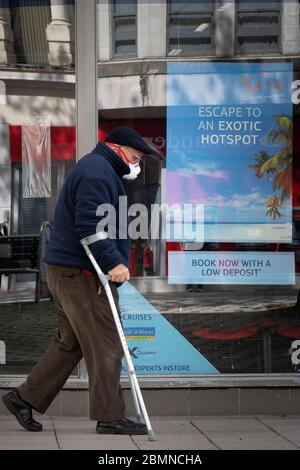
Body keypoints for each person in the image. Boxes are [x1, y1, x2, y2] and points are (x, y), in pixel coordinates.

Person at [2, 127, 154, 435]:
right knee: (108, 343)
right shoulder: (98, 173)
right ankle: (110, 416)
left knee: (69, 345)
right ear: (118, 149)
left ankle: (24, 398)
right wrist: (114, 263)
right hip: (83, 274)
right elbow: (90, 225)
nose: (137, 164)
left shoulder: (99, 169)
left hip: (68, 272)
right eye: (136, 157)